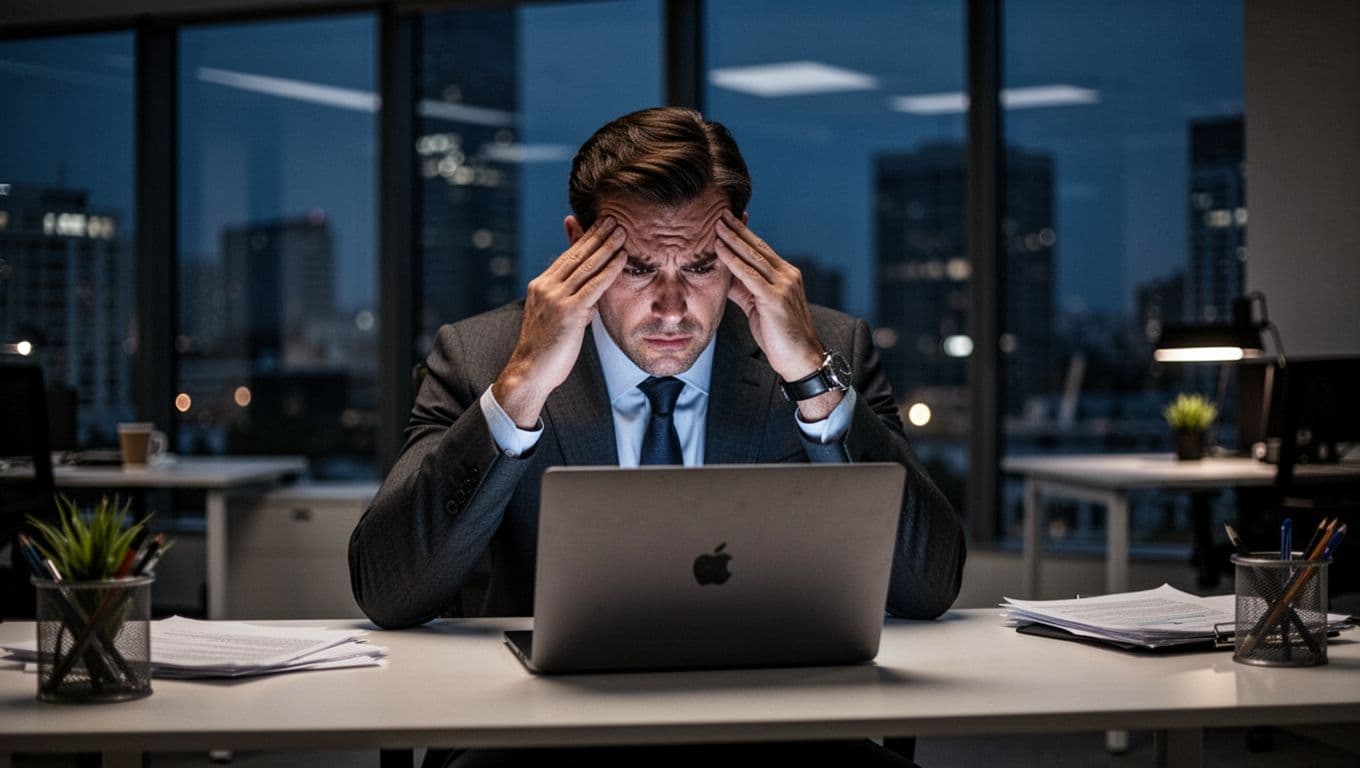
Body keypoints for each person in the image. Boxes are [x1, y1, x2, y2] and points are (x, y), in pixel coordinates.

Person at [348, 107, 964, 765]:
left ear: (743, 244)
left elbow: (927, 587)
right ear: (576, 245)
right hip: (544, 735)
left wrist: (812, 380)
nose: (671, 309)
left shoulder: (828, 349)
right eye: (638, 269)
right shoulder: (480, 355)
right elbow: (389, 589)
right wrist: (521, 386)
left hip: (774, 727)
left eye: (700, 267)